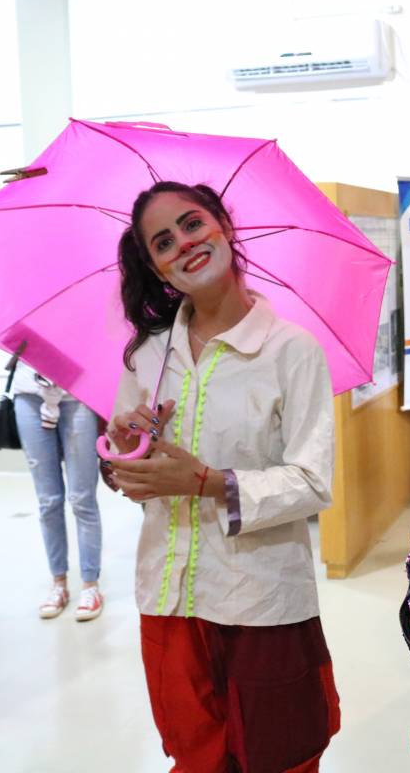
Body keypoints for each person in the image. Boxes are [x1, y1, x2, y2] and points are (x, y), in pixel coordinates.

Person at [106, 182, 340, 773]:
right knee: (194, 757)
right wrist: (124, 455)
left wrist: (208, 482)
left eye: (192, 224)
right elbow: (125, 477)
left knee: (279, 757)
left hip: (261, 597)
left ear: (225, 227)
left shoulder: (291, 350)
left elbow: (313, 482)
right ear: (155, 267)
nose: (183, 243)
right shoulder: (148, 355)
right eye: (163, 242)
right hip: (169, 596)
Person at [13, 363, 105, 621]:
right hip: (29, 394)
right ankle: (58, 583)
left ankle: (90, 585)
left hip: (78, 394)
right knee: (48, 502)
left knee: (82, 499)